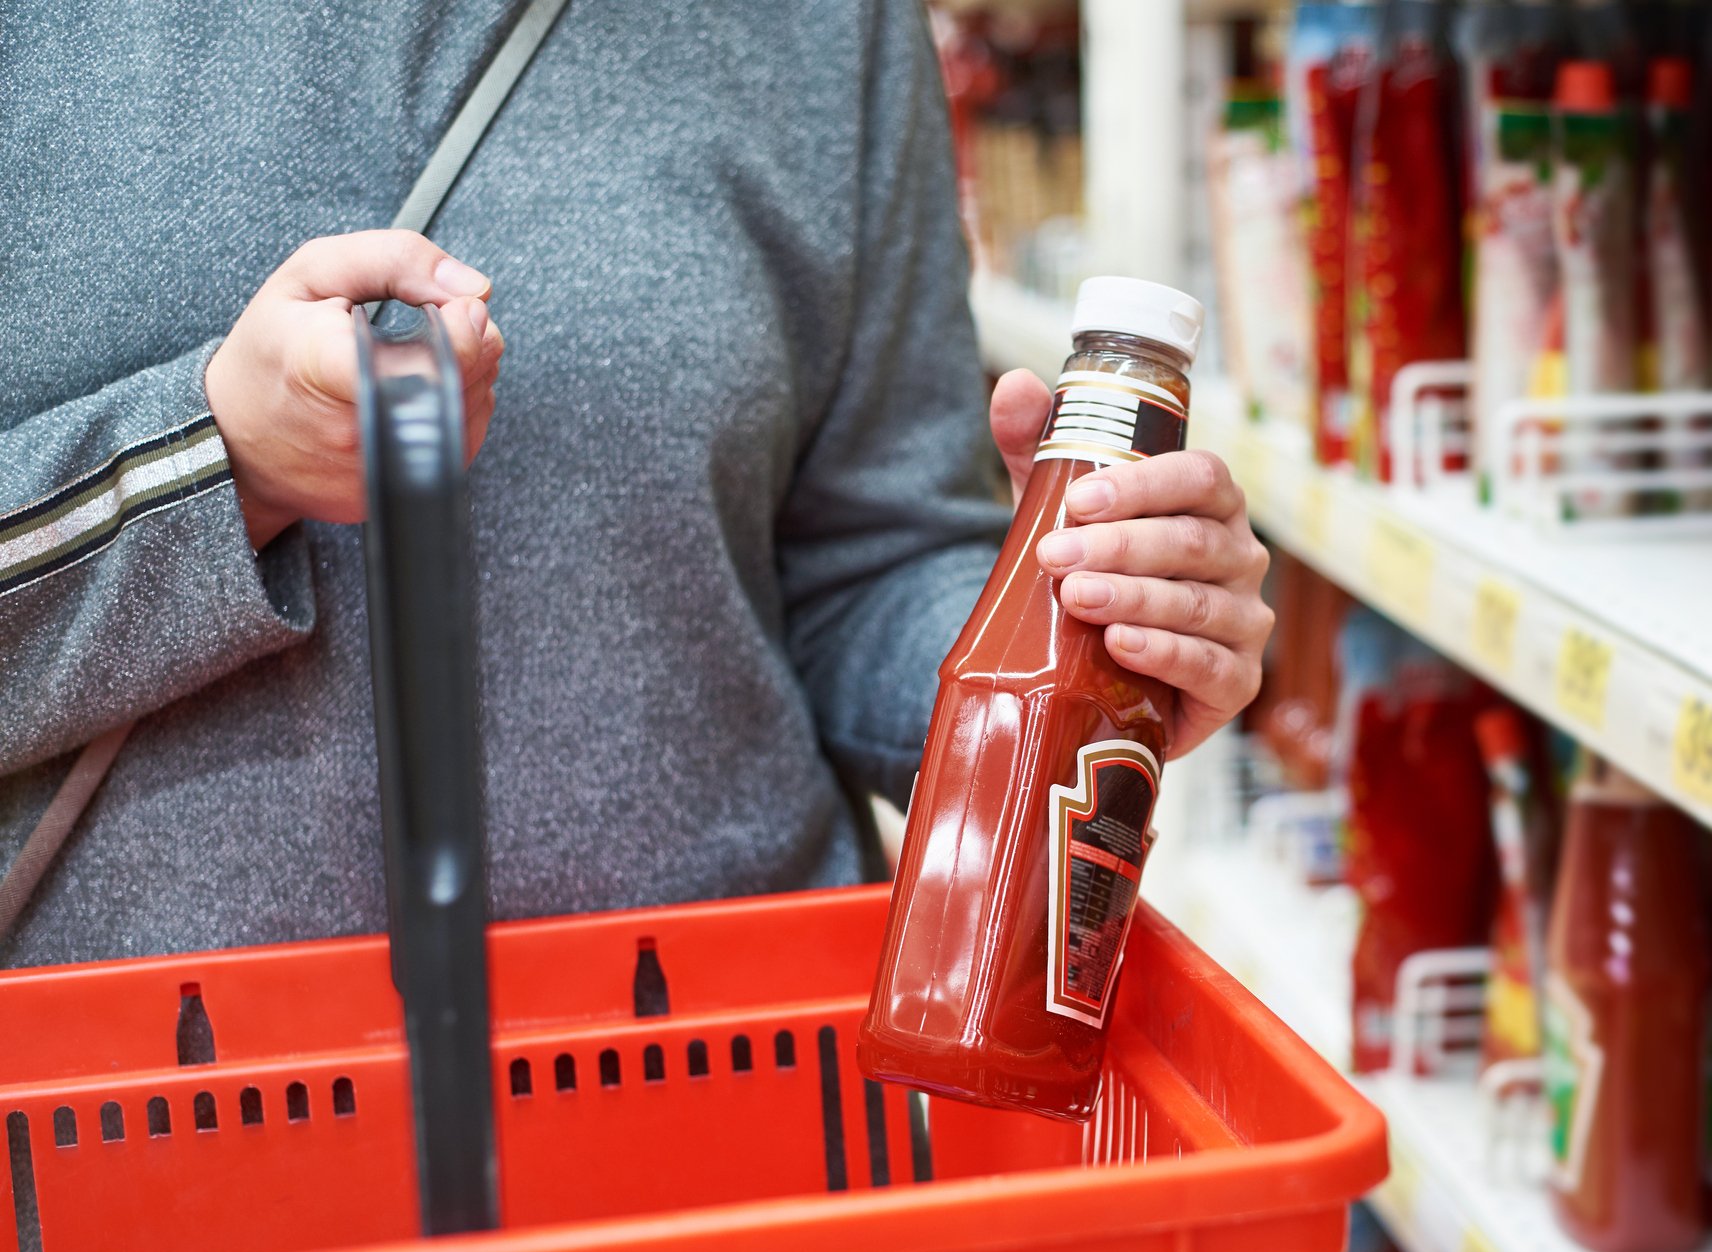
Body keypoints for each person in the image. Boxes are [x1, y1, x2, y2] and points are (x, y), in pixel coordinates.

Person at [0, 0, 1272, 966]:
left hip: (737, 1101)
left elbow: (861, 561)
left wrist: (1086, 647)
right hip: (143, 1134)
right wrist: (205, 466)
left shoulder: (825, 30)